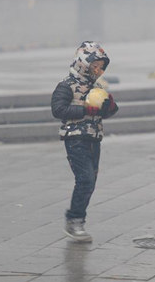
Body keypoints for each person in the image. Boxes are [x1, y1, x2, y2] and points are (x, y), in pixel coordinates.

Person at [51, 41, 119, 242]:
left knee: (90, 182)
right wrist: (85, 110)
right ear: (83, 63)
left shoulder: (96, 87)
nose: (98, 71)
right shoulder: (67, 85)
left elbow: (107, 112)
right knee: (85, 178)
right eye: (94, 66)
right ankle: (74, 221)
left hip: (93, 139)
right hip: (74, 138)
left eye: (101, 67)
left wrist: (110, 106)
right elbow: (58, 110)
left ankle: (77, 219)